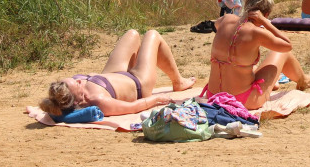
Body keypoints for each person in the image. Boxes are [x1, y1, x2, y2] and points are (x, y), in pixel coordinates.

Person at [201, 0, 310, 110]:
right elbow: (287, 46)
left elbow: (218, 27)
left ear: (246, 8)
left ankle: (274, 82)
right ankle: (304, 80)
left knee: (243, 64)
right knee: (281, 54)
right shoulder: (256, 33)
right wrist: (265, 23)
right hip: (242, 100)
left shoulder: (225, 19)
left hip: (213, 95)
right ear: (266, 14)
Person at [39, 30, 195, 118]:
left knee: (132, 34)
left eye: (74, 80)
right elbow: (133, 107)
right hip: (139, 82)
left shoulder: (70, 91)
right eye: (77, 84)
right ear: (78, 100)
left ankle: (142, 60)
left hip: (111, 75)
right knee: (152, 35)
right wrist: (156, 99)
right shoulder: (98, 101)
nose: (79, 80)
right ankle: (178, 81)